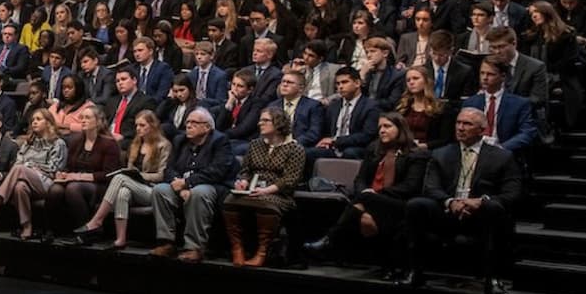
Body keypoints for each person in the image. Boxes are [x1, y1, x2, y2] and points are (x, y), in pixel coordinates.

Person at [401, 108, 523, 294]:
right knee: (416, 205)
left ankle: (493, 278)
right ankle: (414, 271)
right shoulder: (441, 154)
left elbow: (512, 193)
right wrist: (450, 202)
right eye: (458, 123)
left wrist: (480, 201)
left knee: (494, 208)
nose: (460, 128)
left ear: (482, 130)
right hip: (447, 210)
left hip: (480, 213)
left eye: (467, 124)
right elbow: (431, 187)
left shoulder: (502, 157)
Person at [306, 112, 429, 277]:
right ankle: (388, 267)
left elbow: (410, 186)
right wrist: (365, 192)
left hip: (399, 203)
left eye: (387, 126)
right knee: (366, 219)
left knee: (366, 202)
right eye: (380, 127)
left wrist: (375, 193)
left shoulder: (416, 154)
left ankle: (330, 239)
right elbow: (360, 179)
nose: (382, 131)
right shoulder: (374, 148)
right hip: (369, 201)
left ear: (400, 129)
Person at [0, 109, 69, 240]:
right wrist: (29, 167)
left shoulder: (58, 143)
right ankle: (27, 226)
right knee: (20, 187)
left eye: (38, 119)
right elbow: (19, 161)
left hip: (46, 183)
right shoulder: (29, 142)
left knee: (20, 169)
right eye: (33, 120)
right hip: (26, 179)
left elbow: (54, 169)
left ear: (48, 123)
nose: (34, 122)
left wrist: (30, 166)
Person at [73, 110, 172, 249]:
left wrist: (138, 175)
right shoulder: (135, 144)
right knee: (122, 192)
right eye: (137, 125)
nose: (138, 129)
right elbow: (129, 169)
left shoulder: (164, 145)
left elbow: (162, 175)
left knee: (120, 178)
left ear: (153, 126)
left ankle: (96, 220)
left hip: (153, 190)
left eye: (142, 125)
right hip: (133, 187)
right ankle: (121, 239)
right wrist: (132, 174)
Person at [222, 108, 305, 267]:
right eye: (260, 120)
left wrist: (266, 190)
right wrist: (243, 182)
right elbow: (245, 171)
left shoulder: (295, 149)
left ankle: (262, 252)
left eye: (265, 120)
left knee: (265, 202)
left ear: (278, 123)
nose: (260, 123)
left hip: (279, 194)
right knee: (229, 200)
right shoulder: (255, 144)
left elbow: (290, 180)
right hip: (253, 190)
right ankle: (237, 248)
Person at [149, 108, 234, 263]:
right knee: (159, 190)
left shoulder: (220, 141)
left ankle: (195, 247)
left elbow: (218, 171)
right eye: (187, 122)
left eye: (194, 122)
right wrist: (179, 185)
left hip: (212, 186)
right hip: (183, 186)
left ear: (207, 127)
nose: (188, 125)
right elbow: (169, 169)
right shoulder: (180, 140)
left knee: (199, 193)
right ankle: (166, 242)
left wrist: (188, 183)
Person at [47, 102, 122, 234]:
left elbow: (109, 174)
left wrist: (78, 177)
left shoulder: (109, 144)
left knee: (73, 188)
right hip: (75, 180)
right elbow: (69, 167)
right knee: (55, 189)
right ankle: (55, 230)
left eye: (87, 118)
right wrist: (62, 174)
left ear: (98, 121)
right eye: (82, 118)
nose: (83, 121)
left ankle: (87, 229)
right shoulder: (76, 141)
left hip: (100, 185)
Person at [305, 67, 380, 167]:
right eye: (338, 83)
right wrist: (326, 142)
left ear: (357, 83)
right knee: (308, 152)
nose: (340, 87)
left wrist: (336, 141)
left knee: (349, 152)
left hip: (356, 148)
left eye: (344, 82)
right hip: (333, 148)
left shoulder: (370, 106)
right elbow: (326, 132)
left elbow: (367, 135)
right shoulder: (333, 106)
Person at [525, 0, 584, 127]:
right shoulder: (532, 35)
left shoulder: (566, 34)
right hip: (537, 76)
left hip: (562, 76)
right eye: (531, 14)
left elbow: (569, 60)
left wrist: (547, 72)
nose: (533, 16)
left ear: (547, 12)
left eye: (536, 12)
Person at [462, 57, 539, 152]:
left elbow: (527, 133)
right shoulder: (470, 103)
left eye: (490, 74)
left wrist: (501, 149)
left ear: (503, 76)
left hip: (505, 153)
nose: (485, 78)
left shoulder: (519, 104)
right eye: (482, 73)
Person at [395, 66, 455, 148]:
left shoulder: (440, 107)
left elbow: (445, 139)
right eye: (408, 80)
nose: (411, 82)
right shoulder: (402, 106)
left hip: (429, 152)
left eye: (415, 78)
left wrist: (425, 146)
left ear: (426, 81)